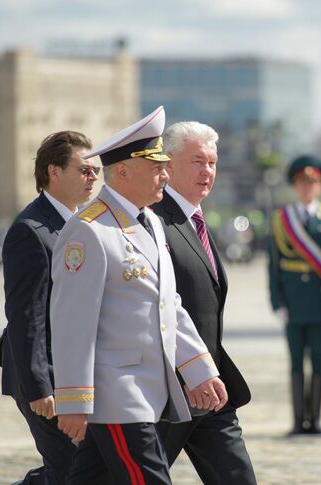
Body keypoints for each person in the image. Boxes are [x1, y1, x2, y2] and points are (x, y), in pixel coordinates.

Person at [50, 106, 226, 484]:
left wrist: (199, 367)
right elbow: (71, 324)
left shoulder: (151, 224)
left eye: (164, 165)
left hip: (148, 392)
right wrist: (74, 399)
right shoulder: (89, 231)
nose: (165, 174)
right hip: (118, 396)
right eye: (156, 167)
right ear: (123, 172)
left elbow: (168, 304)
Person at [152, 121, 256, 484]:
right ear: (168, 164)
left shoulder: (195, 218)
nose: (207, 171)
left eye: (212, 163)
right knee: (106, 475)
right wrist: (189, 370)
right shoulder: (155, 221)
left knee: (237, 477)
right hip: (169, 389)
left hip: (210, 391)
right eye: (197, 161)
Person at [0, 130, 98, 484]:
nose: (93, 178)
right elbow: (26, 315)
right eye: (85, 170)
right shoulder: (31, 230)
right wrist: (40, 386)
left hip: (76, 375)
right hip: (47, 380)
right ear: (54, 172)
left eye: (96, 172)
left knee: (76, 470)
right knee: (72, 469)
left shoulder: (83, 224)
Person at [268, 155, 321, 435]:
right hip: (293, 303)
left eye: (313, 182)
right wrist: (277, 302)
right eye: (303, 182)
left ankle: (315, 420)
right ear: (294, 185)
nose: (308, 187)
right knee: (296, 363)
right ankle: (297, 419)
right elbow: (273, 264)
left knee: (319, 361)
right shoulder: (281, 220)